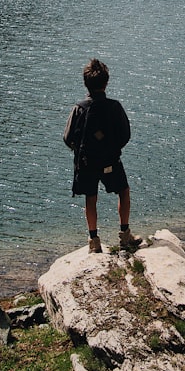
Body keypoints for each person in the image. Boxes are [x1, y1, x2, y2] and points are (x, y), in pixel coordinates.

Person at [63, 58, 140, 254]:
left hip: (87, 163)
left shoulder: (79, 109)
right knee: (123, 191)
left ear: (85, 83)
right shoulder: (115, 107)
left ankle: (94, 240)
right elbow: (125, 135)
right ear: (106, 83)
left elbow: (67, 137)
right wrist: (111, 149)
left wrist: (80, 150)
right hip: (110, 161)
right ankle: (124, 236)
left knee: (91, 198)